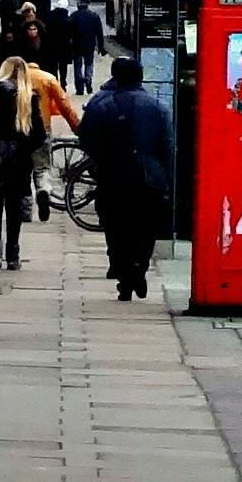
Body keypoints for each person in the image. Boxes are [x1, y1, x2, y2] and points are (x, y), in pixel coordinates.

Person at [76, 54, 174, 301]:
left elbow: (86, 138)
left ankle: (124, 274)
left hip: (114, 175)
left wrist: (100, 159)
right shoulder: (158, 108)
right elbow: (168, 146)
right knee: (145, 227)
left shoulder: (103, 106)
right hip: (149, 177)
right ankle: (139, 265)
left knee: (116, 227)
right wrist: (167, 179)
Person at [0, 54, 76, 272]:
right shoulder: (30, 97)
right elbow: (39, 135)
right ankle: (13, 255)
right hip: (18, 162)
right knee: (14, 208)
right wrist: (24, 149)